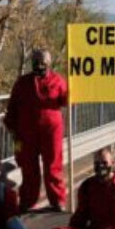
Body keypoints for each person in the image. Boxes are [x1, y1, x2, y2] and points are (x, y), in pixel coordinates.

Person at [4, 48, 68, 213]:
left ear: (49, 63)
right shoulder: (22, 82)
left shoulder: (58, 81)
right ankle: (27, 201)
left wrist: (73, 93)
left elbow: (66, 100)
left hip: (51, 132)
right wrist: (11, 127)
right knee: (29, 168)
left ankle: (58, 200)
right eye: (36, 61)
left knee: (53, 166)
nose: (39, 65)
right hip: (26, 133)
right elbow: (12, 106)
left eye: (43, 62)